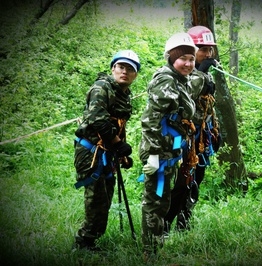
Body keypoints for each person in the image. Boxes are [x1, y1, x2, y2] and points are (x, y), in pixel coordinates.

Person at [73, 50, 140, 251]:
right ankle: (83, 243)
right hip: (90, 151)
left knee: (106, 197)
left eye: (130, 69)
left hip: (107, 152)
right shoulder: (102, 87)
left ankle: (92, 239)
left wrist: (121, 152)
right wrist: (119, 143)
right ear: (113, 69)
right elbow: (97, 118)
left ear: (135, 74)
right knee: (96, 198)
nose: (124, 72)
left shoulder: (124, 94)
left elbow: (118, 124)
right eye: (121, 67)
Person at [139, 32, 198, 261]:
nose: (188, 63)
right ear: (171, 58)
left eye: (191, 59)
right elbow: (151, 119)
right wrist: (153, 155)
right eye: (183, 58)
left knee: (163, 199)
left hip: (169, 150)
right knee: (155, 199)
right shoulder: (166, 79)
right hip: (159, 150)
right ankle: (150, 252)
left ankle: (155, 244)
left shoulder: (179, 80)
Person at [164, 25, 222, 233]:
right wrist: (202, 72)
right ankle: (164, 224)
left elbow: (206, 105)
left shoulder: (204, 72)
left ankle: (184, 220)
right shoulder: (183, 73)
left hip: (200, 134)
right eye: (202, 49)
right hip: (181, 135)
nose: (207, 53)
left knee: (197, 177)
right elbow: (185, 93)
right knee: (182, 180)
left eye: (209, 49)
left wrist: (214, 129)